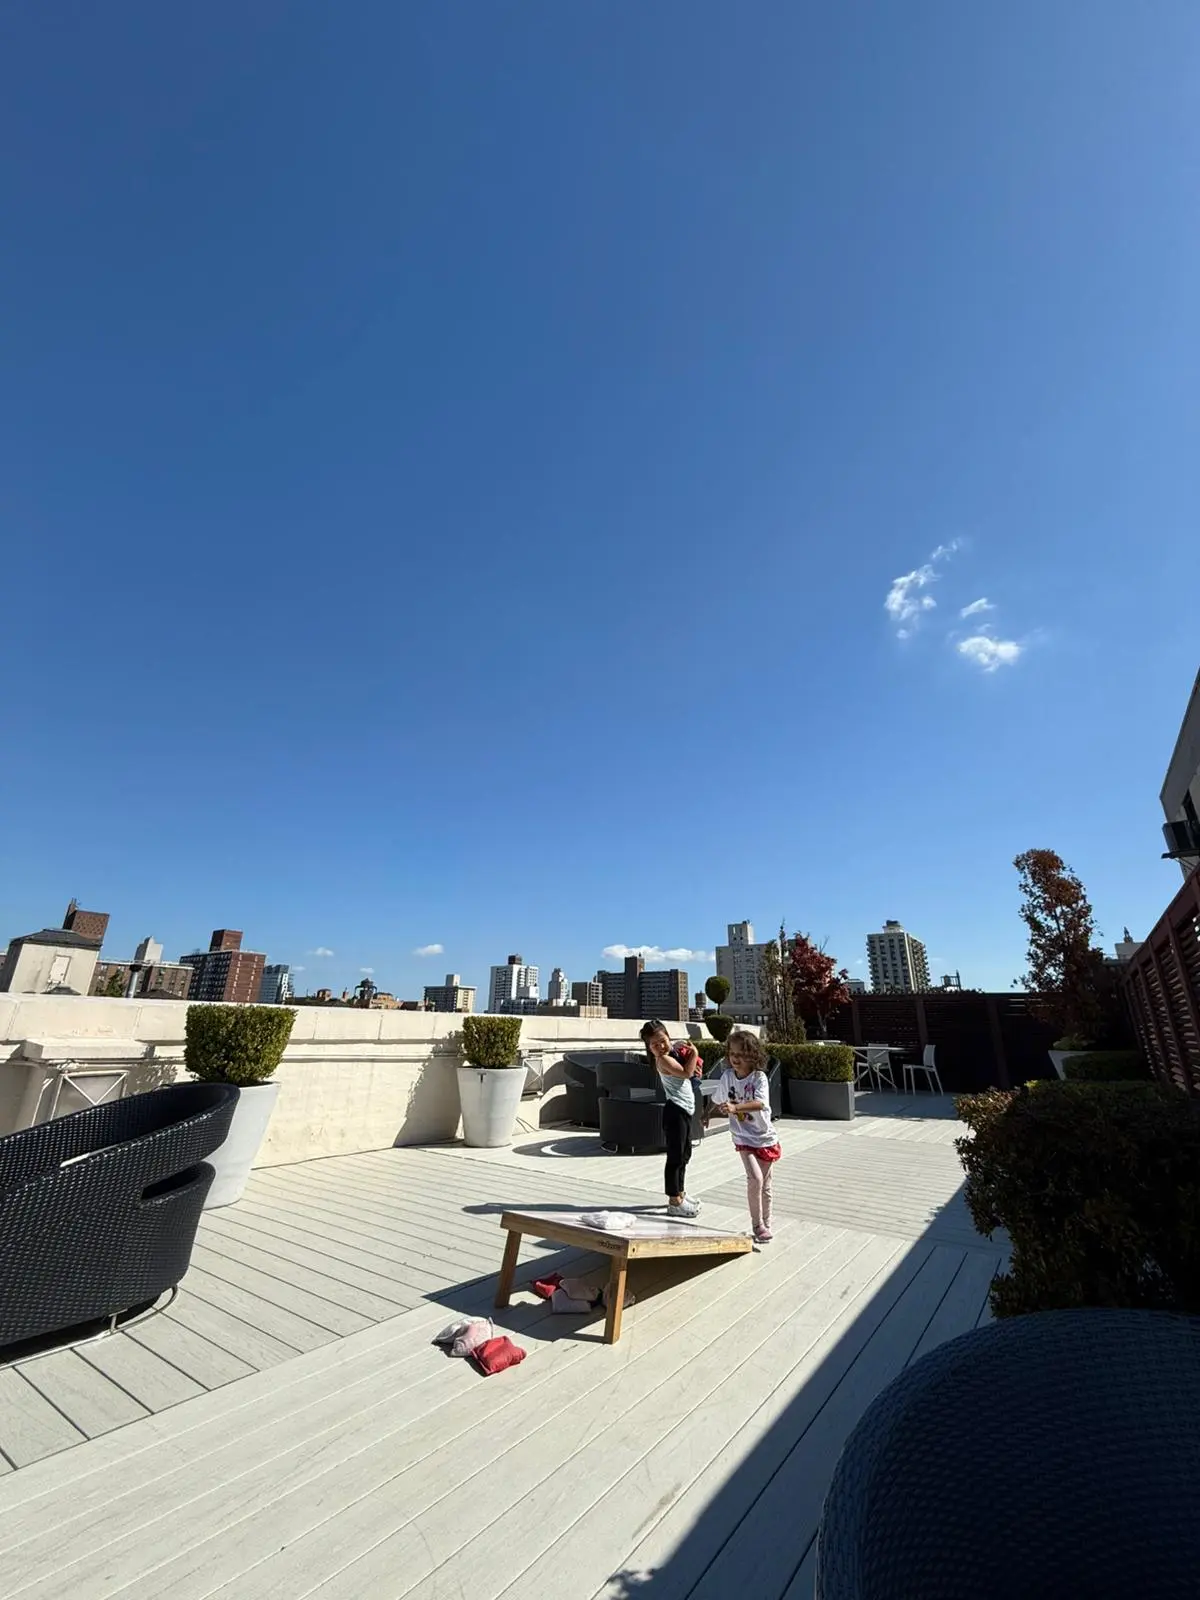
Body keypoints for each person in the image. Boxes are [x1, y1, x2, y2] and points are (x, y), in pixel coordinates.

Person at [713, 1028, 781, 1243]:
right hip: (743, 1137)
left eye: (741, 1054)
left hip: (765, 1137)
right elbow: (717, 1100)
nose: (736, 1058)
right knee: (755, 1179)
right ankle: (757, 1225)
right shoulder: (727, 1077)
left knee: (766, 1186)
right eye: (732, 1053)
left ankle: (766, 1223)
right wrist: (706, 1114)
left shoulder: (759, 1078)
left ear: (753, 1056)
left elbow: (760, 1103)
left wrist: (736, 1108)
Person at [641, 1019, 703, 1219]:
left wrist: (687, 1054)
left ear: (668, 1037)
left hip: (683, 1110)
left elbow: (688, 1070)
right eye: (654, 1044)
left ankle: (681, 1193)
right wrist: (694, 1054)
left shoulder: (671, 1053)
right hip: (675, 1111)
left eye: (663, 1040)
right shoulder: (663, 1060)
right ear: (649, 1048)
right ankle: (674, 1201)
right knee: (675, 1157)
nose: (660, 1046)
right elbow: (686, 1073)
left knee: (684, 1154)